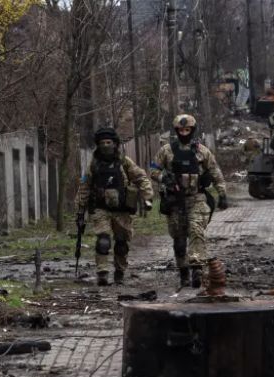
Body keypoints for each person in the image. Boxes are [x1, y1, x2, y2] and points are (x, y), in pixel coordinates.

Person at [151, 114, 230, 290]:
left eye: (187, 130)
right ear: (176, 131)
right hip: (175, 201)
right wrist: (165, 178)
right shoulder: (166, 151)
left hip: (197, 199)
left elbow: (215, 172)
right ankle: (184, 272)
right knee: (179, 240)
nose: (184, 133)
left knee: (196, 231)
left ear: (192, 131)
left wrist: (222, 194)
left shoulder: (202, 151)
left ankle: (197, 268)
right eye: (181, 130)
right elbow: (153, 170)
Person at [75, 127, 153, 286]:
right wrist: (80, 210)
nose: (105, 146)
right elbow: (84, 186)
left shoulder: (124, 162)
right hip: (100, 208)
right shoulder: (93, 164)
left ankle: (119, 271)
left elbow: (141, 178)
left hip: (122, 210)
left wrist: (147, 197)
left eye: (108, 142)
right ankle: (102, 273)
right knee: (103, 240)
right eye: (102, 143)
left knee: (121, 243)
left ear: (115, 144)